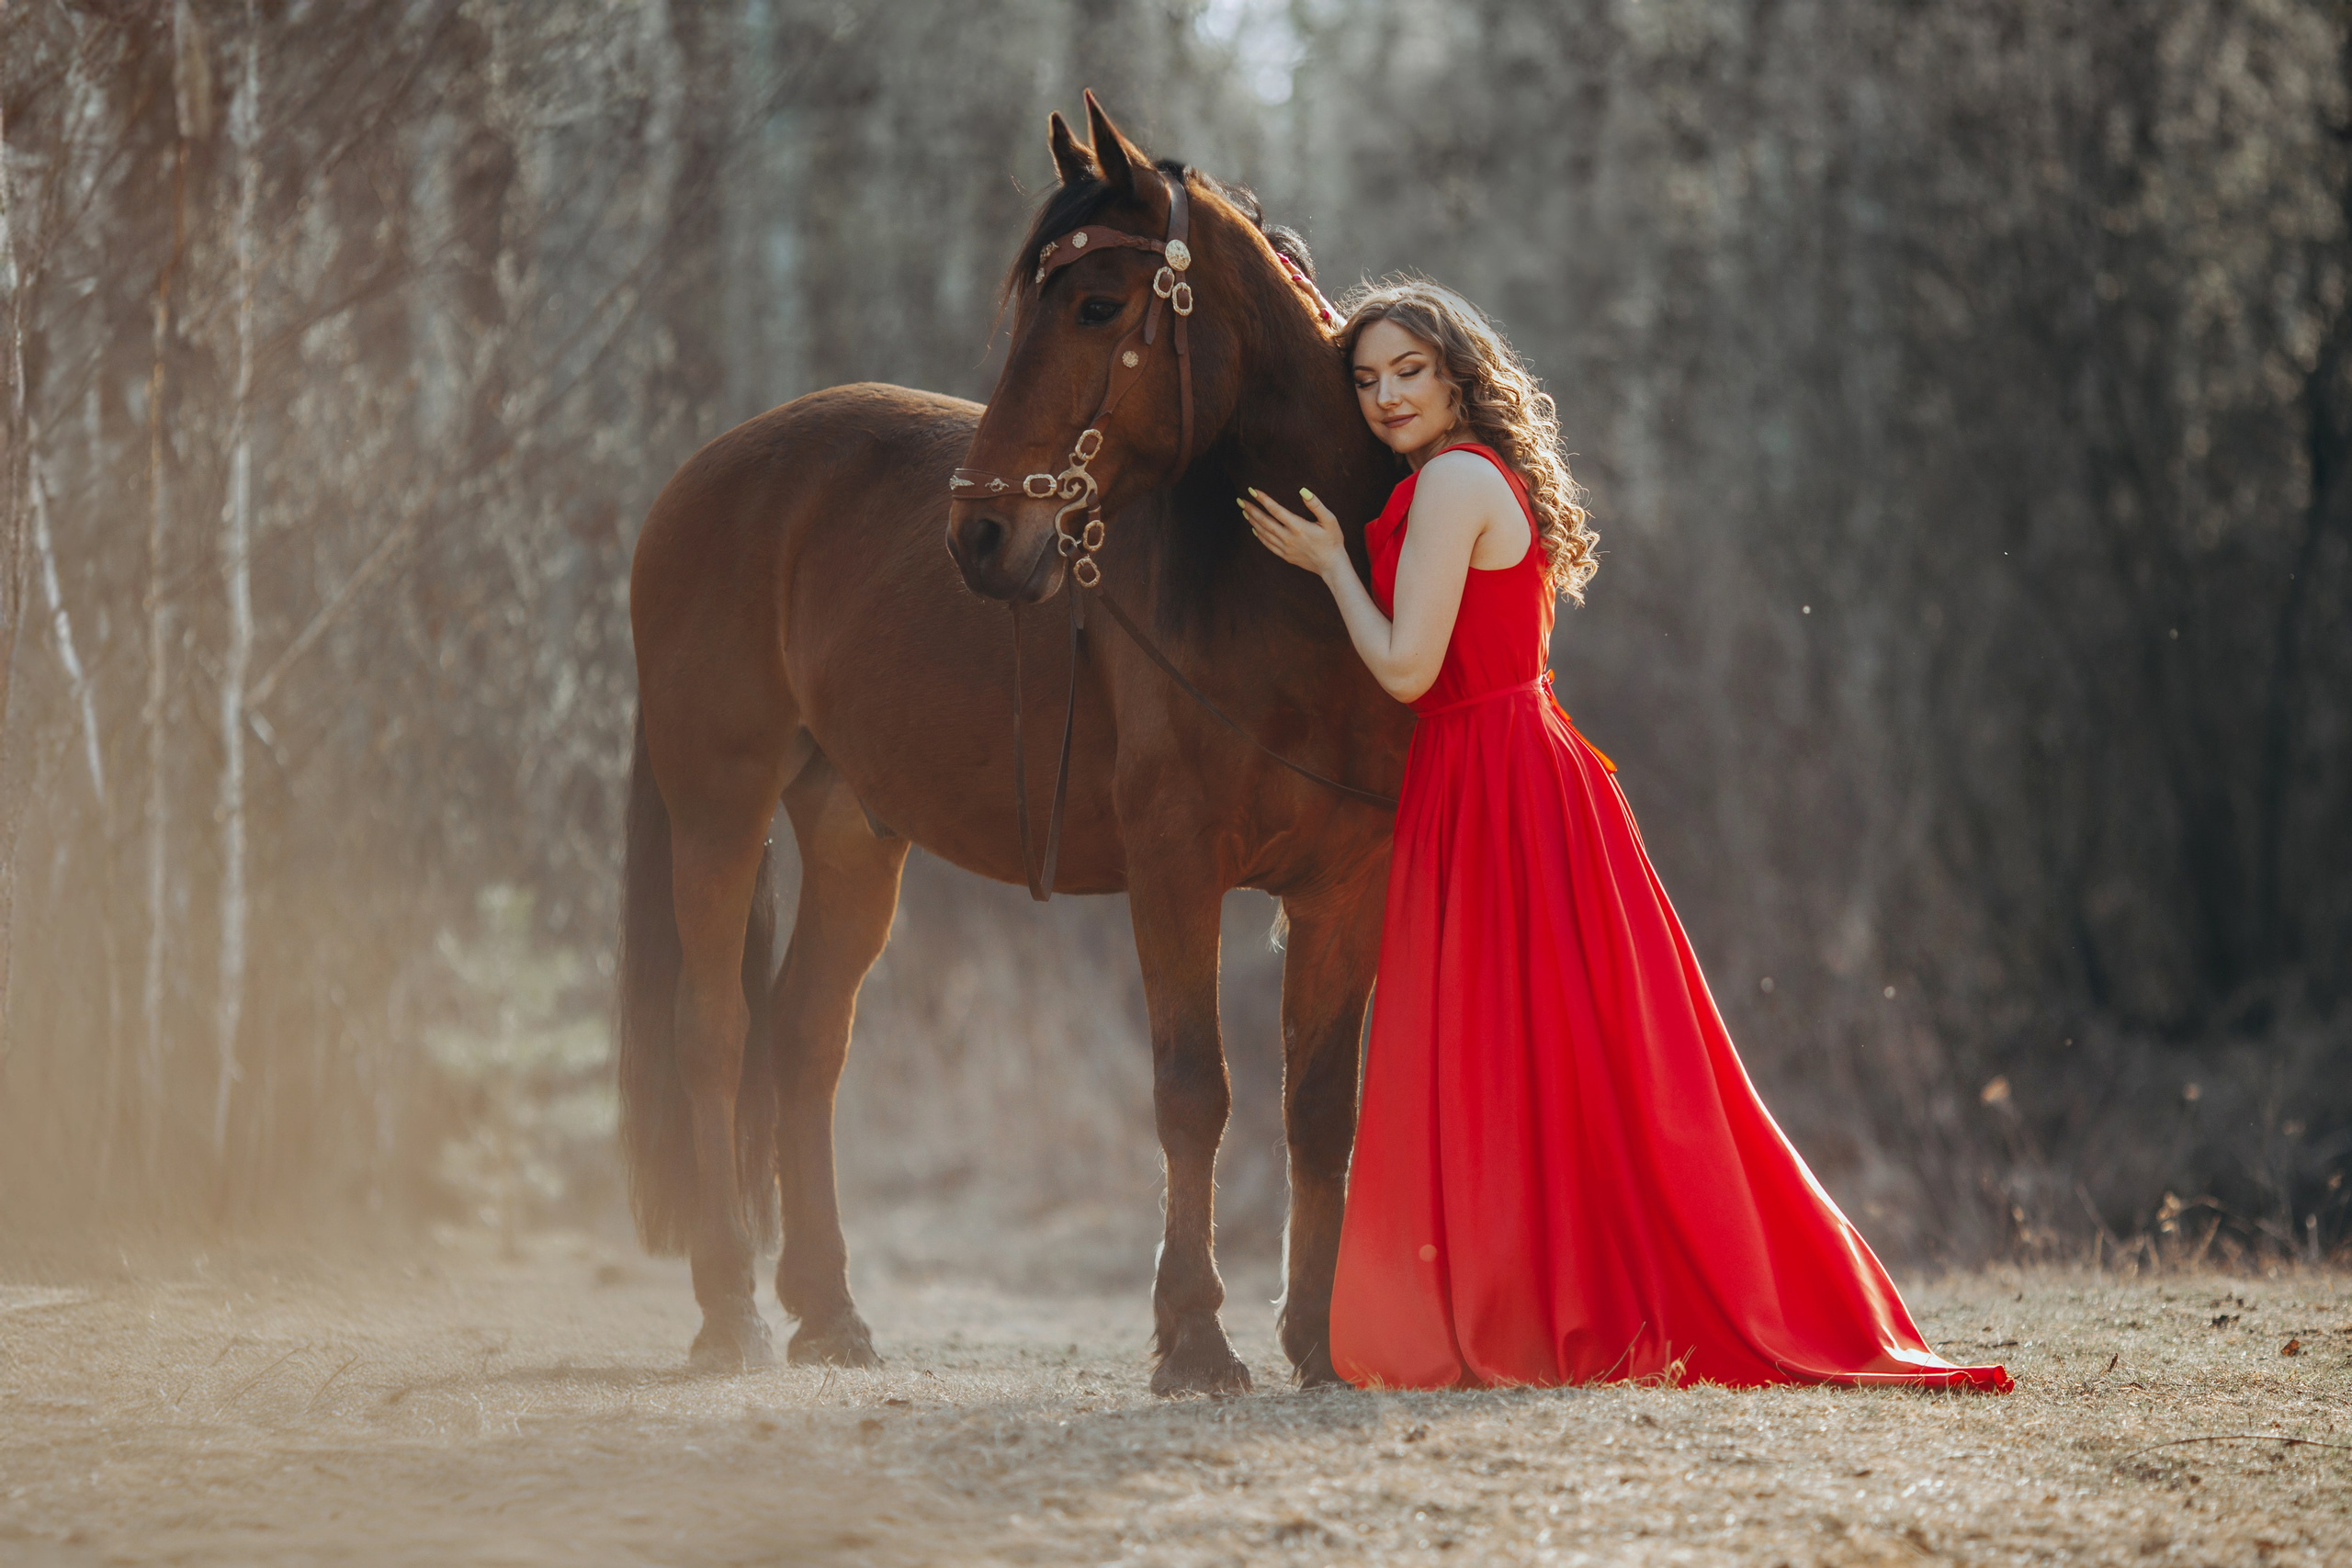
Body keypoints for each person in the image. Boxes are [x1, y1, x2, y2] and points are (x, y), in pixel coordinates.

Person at [1240, 278, 2011, 1393]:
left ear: (1458, 374)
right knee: (1550, 1061)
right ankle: (1543, 1289)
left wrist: (1328, 569)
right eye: (1365, 381)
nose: (1386, 397)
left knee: (1547, 1060)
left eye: (1409, 371)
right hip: (1489, 776)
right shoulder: (1450, 477)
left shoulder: (1455, 480)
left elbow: (1410, 670)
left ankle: (1567, 1298)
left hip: (1499, 777)